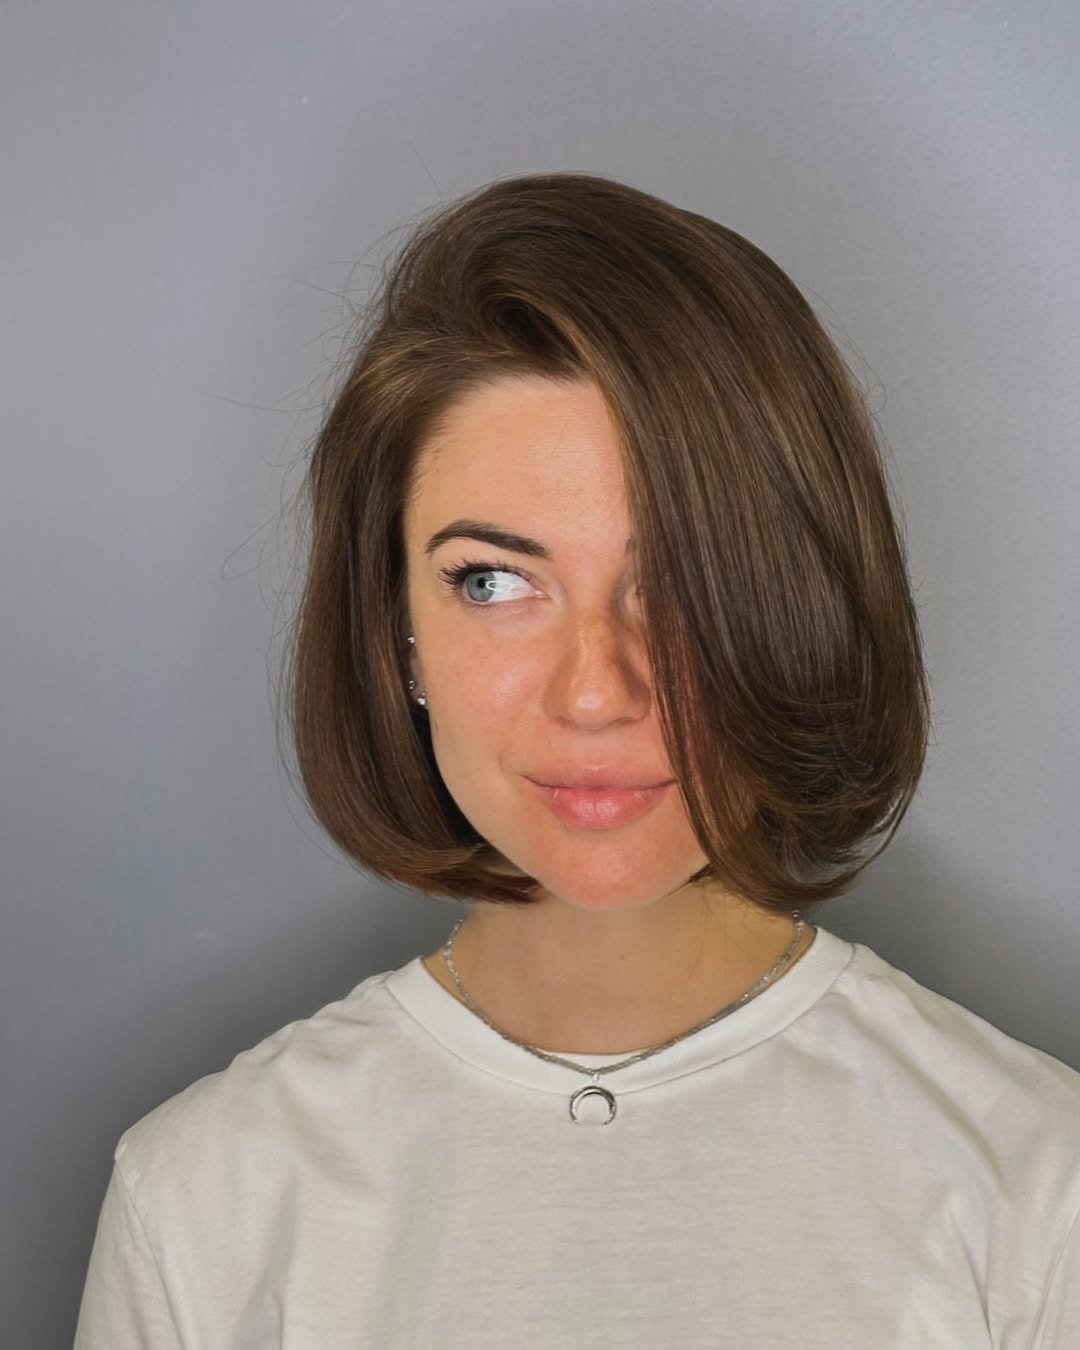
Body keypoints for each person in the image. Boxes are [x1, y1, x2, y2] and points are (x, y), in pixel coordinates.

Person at [74, 171, 1079, 1347]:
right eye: (494, 582)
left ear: (793, 615)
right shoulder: (202, 1202)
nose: (597, 689)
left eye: (685, 590)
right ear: (396, 632)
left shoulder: (1036, 1186)